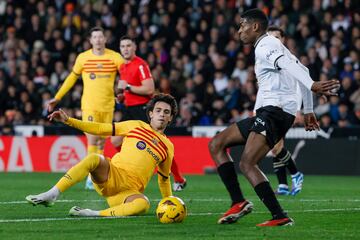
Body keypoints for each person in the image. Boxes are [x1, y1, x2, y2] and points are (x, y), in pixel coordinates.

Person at [208, 9, 340, 227]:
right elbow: (303, 68)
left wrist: (312, 86)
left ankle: (279, 216)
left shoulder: (266, 45)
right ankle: (238, 202)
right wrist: (307, 110)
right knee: (217, 144)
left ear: (255, 27)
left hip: (275, 111)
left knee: (248, 163)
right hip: (271, 112)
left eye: (243, 25)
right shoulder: (276, 45)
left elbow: (293, 69)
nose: (239, 30)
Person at [26, 93, 177, 217]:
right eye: (158, 110)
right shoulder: (136, 125)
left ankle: (94, 213)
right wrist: (69, 121)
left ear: (170, 118)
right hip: (111, 174)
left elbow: (164, 179)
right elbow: (100, 128)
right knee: (94, 158)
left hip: (127, 193)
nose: (162, 115)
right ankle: (53, 193)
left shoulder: (168, 147)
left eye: (166, 112)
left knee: (143, 205)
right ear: (150, 114)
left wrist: (169, 202)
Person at [46, 27, 124, 190]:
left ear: (105, 39)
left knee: (102, 140)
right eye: (94, 37)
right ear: (90, 40)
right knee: (92, 139)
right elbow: (71, 78)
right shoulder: (83, 58)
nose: (97, 40)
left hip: (108, 105)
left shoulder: (115, 57)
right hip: (89, 105)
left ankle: (97, 175)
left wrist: (124, 91)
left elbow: (126, 73)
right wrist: (58, 97)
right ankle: (91, 176)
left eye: (100, 37)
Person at [113, 36, 187, 191]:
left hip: (142, 109)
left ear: (135, 48)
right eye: (122, 46)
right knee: (115, 141)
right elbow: (130, 89)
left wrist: (127, 87)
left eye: (128, 46)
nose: (125, 49)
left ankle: (179, 178)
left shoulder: (141, 65)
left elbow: (149, 89)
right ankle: (132, 167)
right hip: (129, 108)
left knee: (160, 144)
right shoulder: (122, 66)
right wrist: (123, 96)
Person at [266, 26, 306, 196]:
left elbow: (300, 82)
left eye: (277, 37)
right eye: (270, 37)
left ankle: (296, 174)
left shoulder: (290, 59)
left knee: (276, 146)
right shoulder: (269, 58)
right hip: (272, 106)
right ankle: (282, 184)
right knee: (276, 146)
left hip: (286, 107)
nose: (274, 40)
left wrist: (297, 109)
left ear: (283, 39)